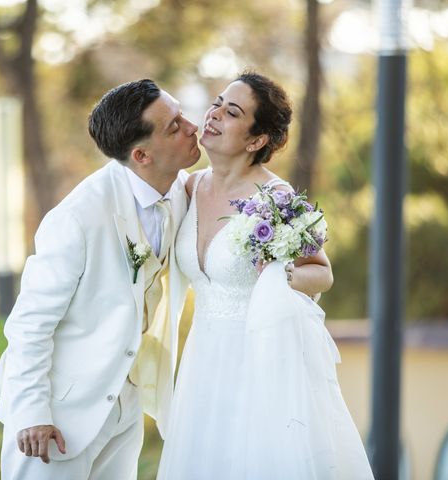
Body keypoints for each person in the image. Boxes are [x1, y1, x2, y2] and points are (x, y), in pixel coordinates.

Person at [157, 72, 374, 479]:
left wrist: (278, 275)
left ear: (256, 140)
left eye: (232, 111)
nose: (214, 113)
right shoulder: (188, 188)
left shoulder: (277, 200)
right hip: (202, 360)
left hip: (259, 359)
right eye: (218, 102)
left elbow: (321, 273)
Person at [0, 78, 200, 480]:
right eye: (174, 126)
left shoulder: (180, 192)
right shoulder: (77, 219)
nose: (192, 127)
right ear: (141, 154)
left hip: (126, 405)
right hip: (57, 418)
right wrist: (33, 414)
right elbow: (30, 325)